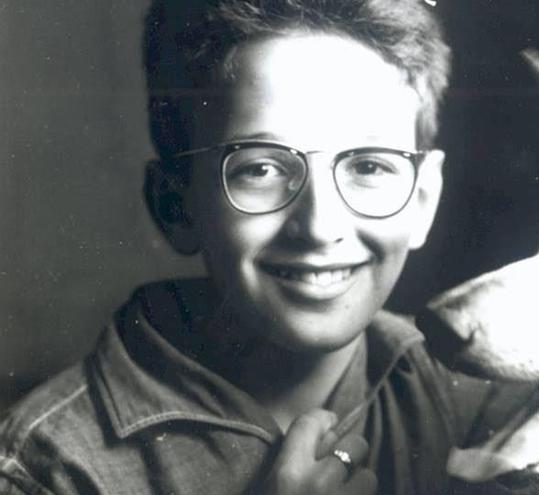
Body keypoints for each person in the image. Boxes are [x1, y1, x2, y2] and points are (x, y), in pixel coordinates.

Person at [0, 1, 510, 493]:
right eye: (260, 169)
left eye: (370, 166)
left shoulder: (470, 398)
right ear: (175, 206)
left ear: (422, 200)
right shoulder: (46, 471)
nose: (319, 226)